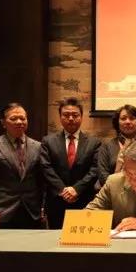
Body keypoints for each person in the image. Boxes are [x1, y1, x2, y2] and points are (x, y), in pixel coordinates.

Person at [0, 102, 47, 229]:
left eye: (23, 118)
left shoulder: (38, 146)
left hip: (32, 211)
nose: (19, 122)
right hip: (3, 210)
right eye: (14, 118)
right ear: (3, 123)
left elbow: (42, 180)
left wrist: (43, 206)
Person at [41, 97, 102, 229]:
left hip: (84, 200)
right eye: (66, 115)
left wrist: (76, 189)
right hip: (57, 202)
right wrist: (63, 190)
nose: (70, 118)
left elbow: (95, 169)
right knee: (56, 238)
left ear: (81, 117)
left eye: (75, 115)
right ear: (60, 117)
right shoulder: (48, 141)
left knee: (84, 239)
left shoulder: (94, 143)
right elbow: (46, 168)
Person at [97, 104, 136, 188]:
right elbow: (102, 177)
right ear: (117, 123)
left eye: (132, 118)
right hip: (113, 192)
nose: (128, 122)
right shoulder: (107, 146)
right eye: (123, 118)